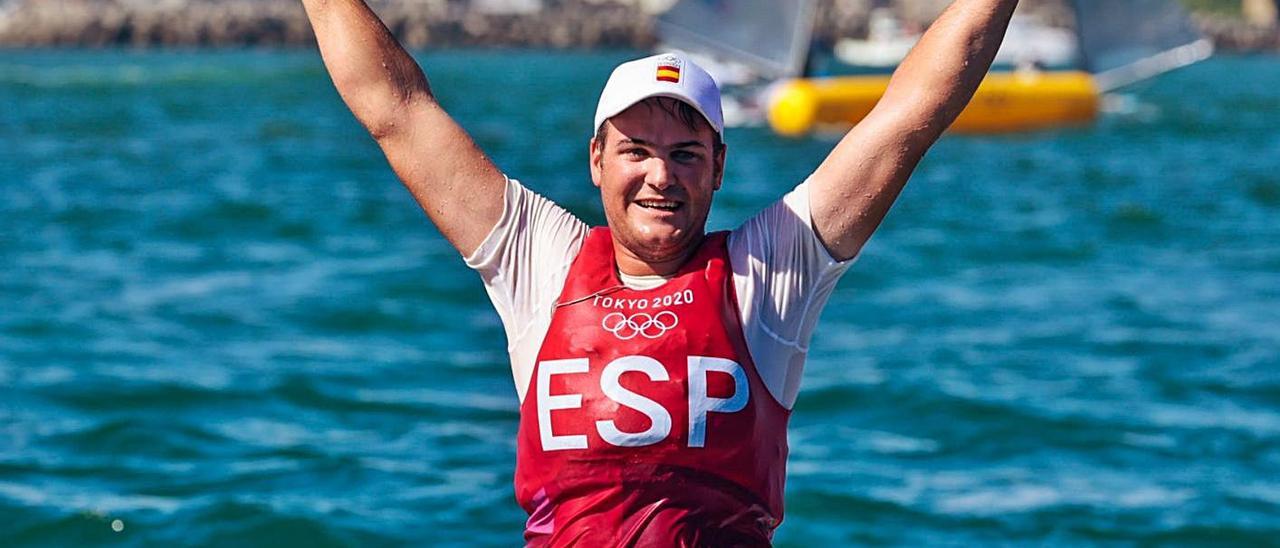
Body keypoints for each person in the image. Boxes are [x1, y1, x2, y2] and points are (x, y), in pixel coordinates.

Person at [300, 0, 1020, 544]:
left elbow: (908, 115)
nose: (659, 177)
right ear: (596, 161)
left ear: (717, 169)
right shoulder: (539, 259)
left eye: (685, 154)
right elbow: (396, 108)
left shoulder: (768, 272)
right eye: (636, 150)